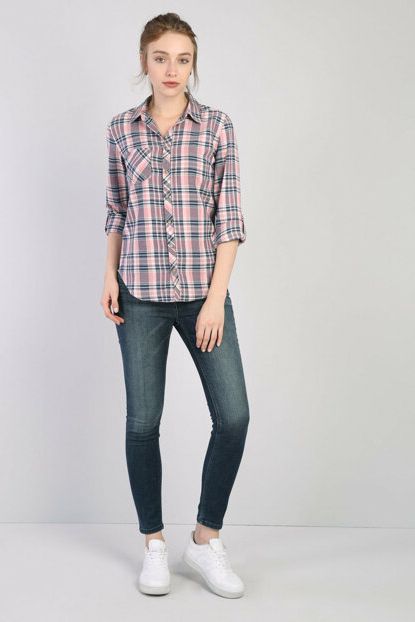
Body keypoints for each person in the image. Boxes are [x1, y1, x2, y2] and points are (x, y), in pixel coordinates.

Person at [100, 13, 250, 599]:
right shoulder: (121, 129)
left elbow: (229, 221)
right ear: (144, 61)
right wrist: (108, 276)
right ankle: (154, 544)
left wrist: (214, 301)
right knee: (143, 422)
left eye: (182, 59)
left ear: (193, 65)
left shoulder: (216, 127)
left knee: (233, 417)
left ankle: (205, 539)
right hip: (138, 295)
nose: (171, 69)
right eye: (160, 57)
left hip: (201, 297)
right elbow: (117, 209)